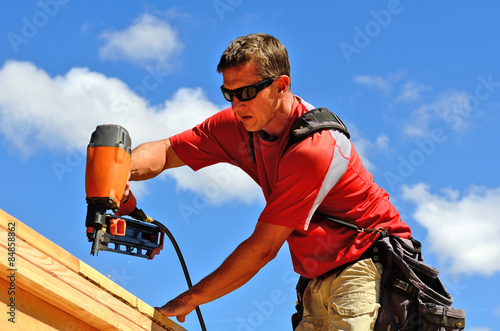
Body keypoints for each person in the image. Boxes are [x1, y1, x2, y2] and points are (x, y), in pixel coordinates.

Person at [129, 33, 412, 330]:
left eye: (247, 92)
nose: (237, 106)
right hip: (317, 275)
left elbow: (263, 248)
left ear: (281, 86)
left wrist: (193, 297)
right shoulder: (241, 124)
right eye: (229, 93)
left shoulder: (313, 149)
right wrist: (118, 171)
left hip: (365, 261)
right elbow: (166, 150)